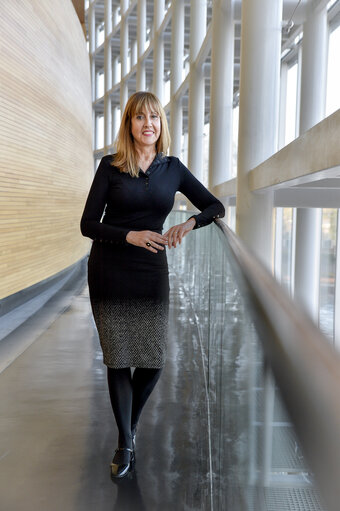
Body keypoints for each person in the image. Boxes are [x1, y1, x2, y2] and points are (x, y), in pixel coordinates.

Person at [80, 91, 225, 479]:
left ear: (161, 125)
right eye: (140, 118)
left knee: (153, 360)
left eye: (155, 118)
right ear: (129, 124)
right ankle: (125, 441)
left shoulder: (172, 168)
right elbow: (88, 224)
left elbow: (215, 206)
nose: (148, 124)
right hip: (110, 267)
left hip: (150, 271)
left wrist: (188, 223)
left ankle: (129, 425)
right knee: (118, 356)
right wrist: (129, 236)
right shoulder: (110, 167)